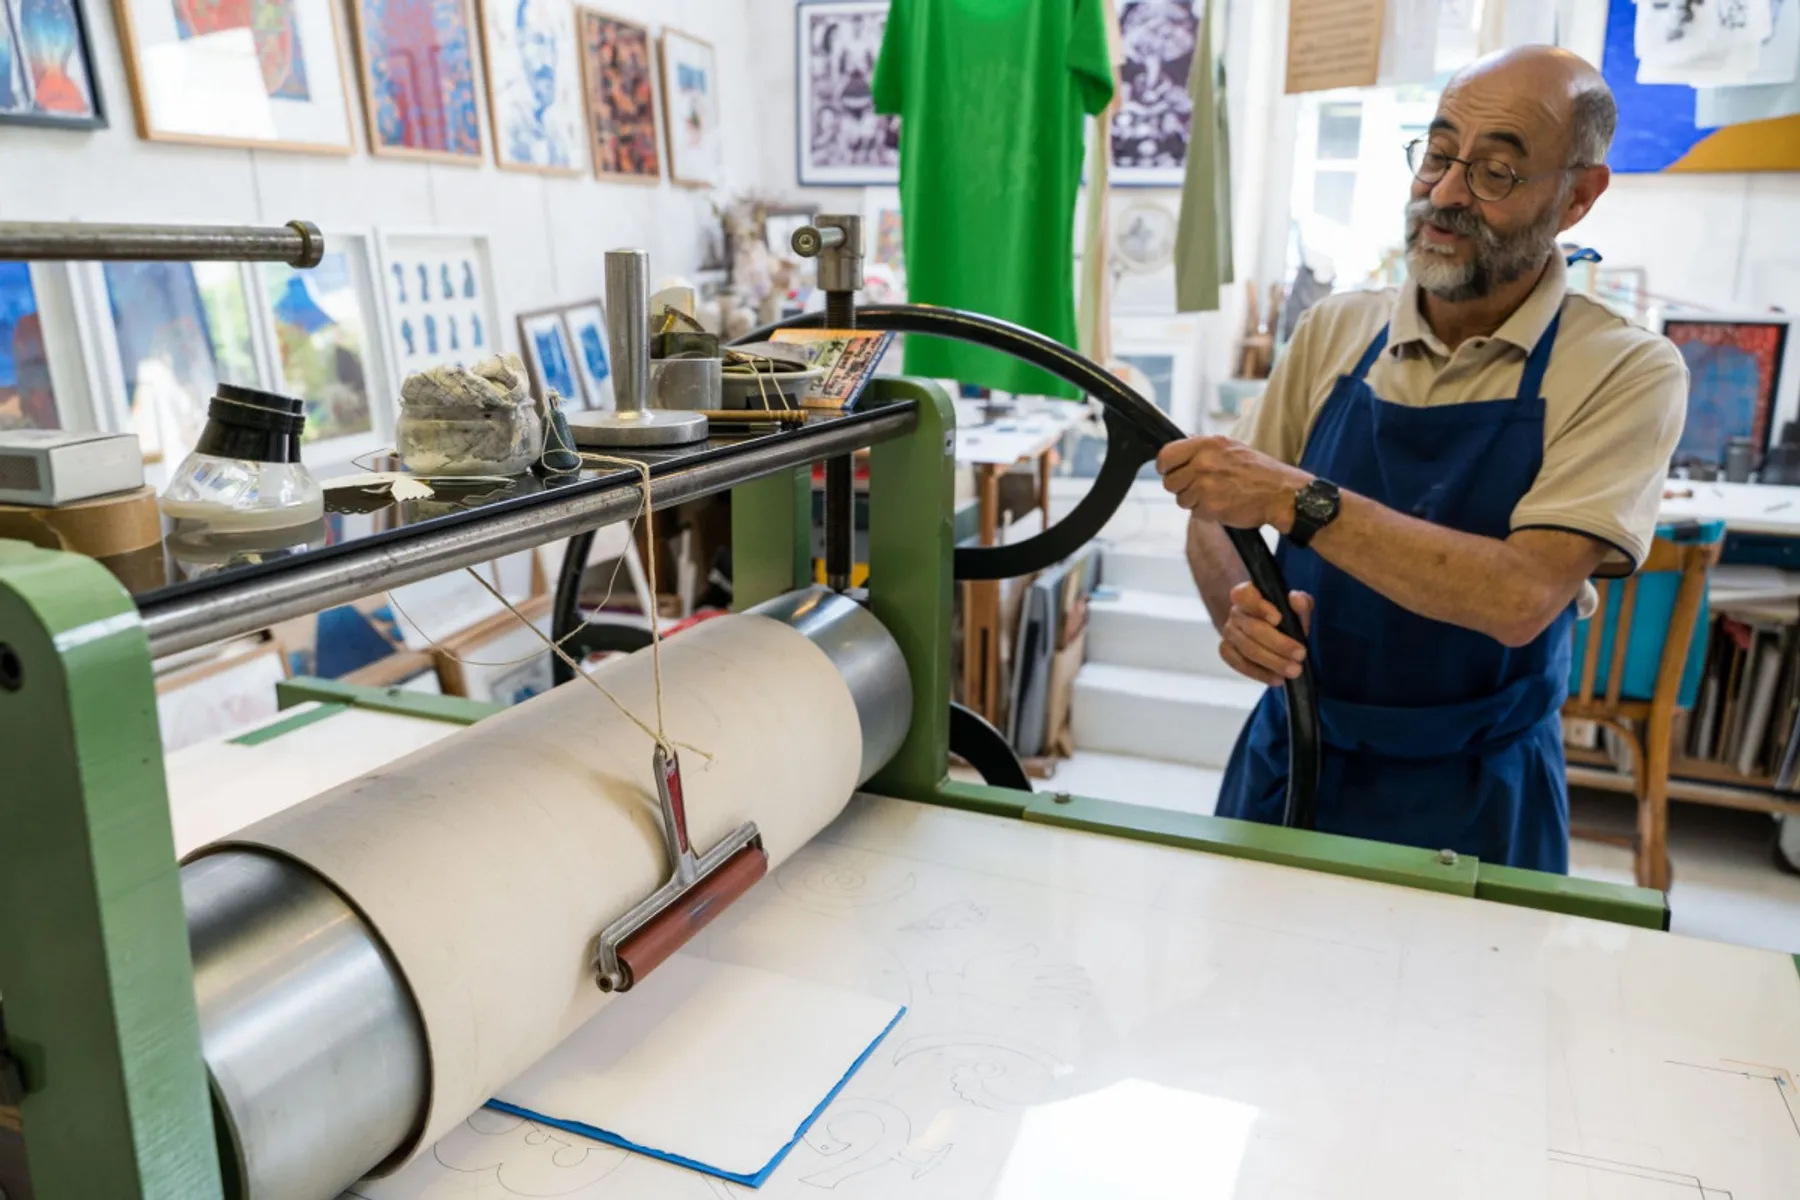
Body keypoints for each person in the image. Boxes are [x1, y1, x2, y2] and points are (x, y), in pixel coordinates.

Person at [1155, 46, 1686, 873]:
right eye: (1436, 156)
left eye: (1496, 173)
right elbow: (1221, 508)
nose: (1443, 194)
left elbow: (1519, 597)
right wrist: (1238, 605)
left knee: (1461, 1002)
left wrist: (1300, 500)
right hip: (1297, 754)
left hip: (1476, 795)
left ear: (1578, 195)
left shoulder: (1625, 370)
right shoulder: (1336, 330)